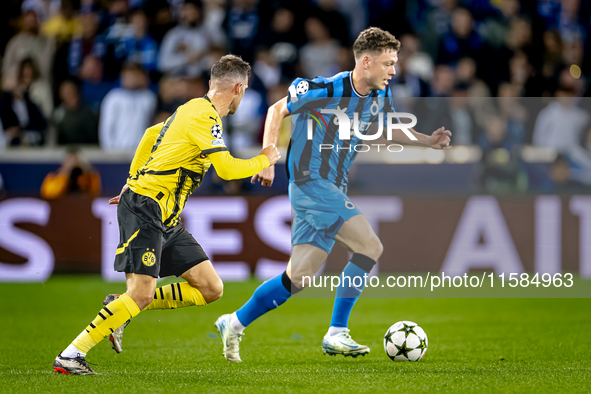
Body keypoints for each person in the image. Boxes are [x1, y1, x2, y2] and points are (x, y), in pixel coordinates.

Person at [215, 27, 452, 362]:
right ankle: (337, 332)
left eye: (395, 64)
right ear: (366, 61)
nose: (394, 71)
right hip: (311, 183)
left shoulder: (378, 95)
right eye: (388, 63)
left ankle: (234, 322)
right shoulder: (326, 88)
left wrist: (427, 140)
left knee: (298, 278)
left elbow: (385, 128)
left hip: (331, 187)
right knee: (370, 246)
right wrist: (268, 157)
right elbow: (276, 110)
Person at [53, 54, 281, 375]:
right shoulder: (205, 118)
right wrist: (265, 157)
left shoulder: (191, 109)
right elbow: (228, 170)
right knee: (143, 293)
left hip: (163, 216)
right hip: (147, 206)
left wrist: (133, 179)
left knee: (210, 288)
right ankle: (71, 355)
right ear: (239, 88)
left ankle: (121, 306)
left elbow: (149, 135)